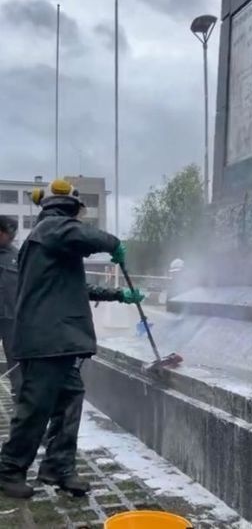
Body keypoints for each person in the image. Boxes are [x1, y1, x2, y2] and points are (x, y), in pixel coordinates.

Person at [0, 180, 144, 499]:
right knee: (36, 407)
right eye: (78, 212)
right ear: (67, 208)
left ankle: (58, 467)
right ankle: (9, 470)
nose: (79, 219)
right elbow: (83, 235)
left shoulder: (51, 243)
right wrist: (113, 242)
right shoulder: (50, 229)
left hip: (58, 340)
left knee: (69, 401)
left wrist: (119, 295)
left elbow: (74, 289)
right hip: (46, 340)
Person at [0, 216, 19, 398]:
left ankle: (18, 395)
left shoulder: (18, 256)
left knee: (15, 358)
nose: (11, 236)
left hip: (12, 317)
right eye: (8, 232)